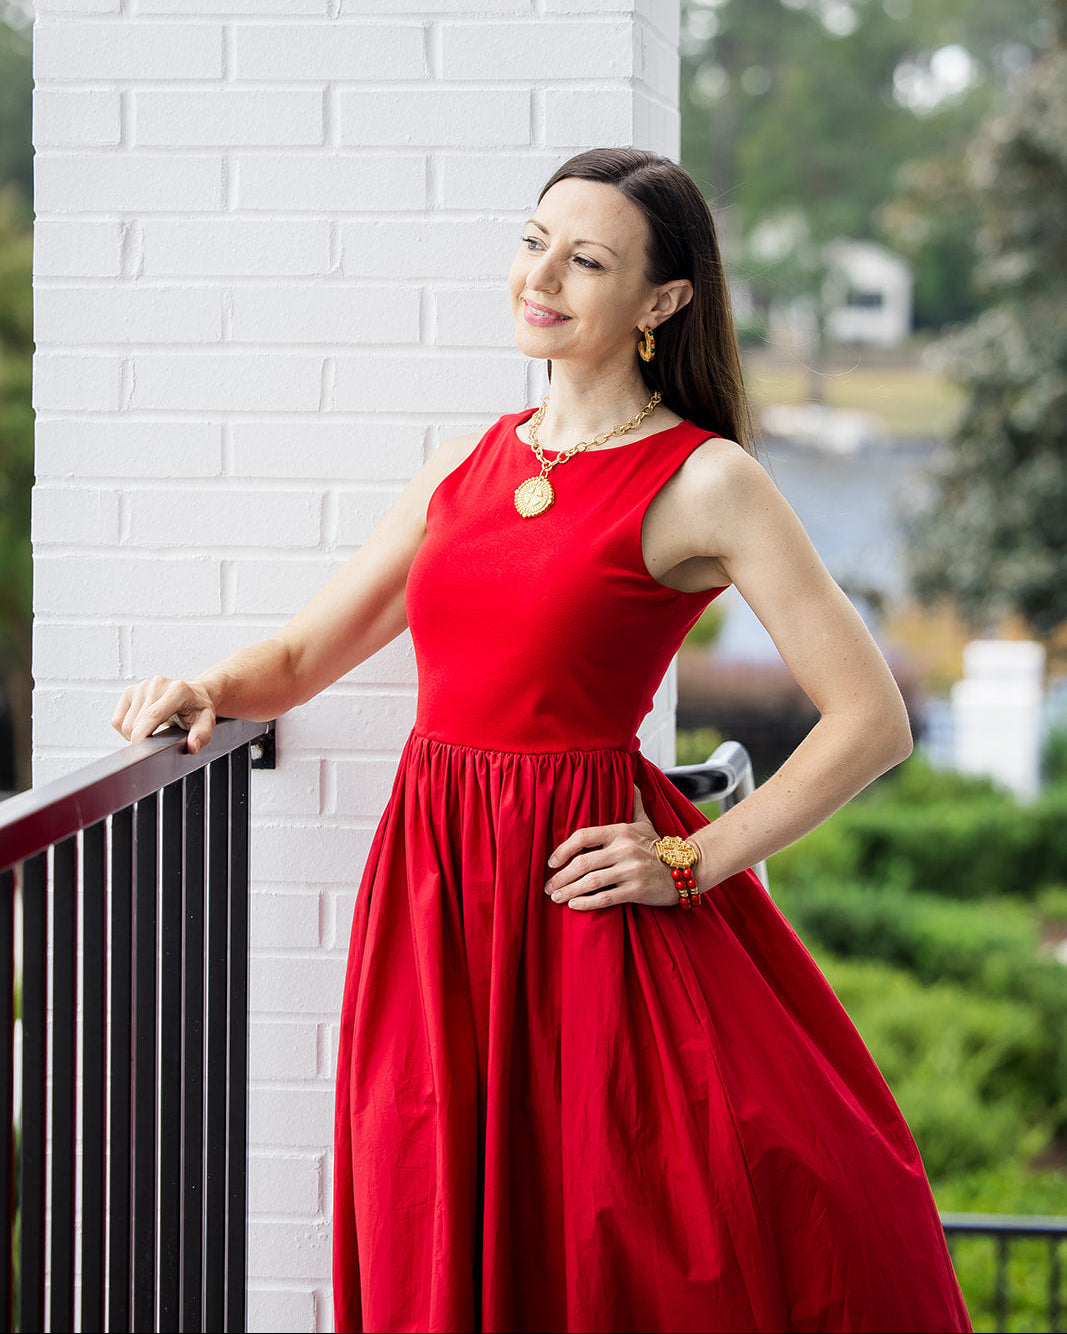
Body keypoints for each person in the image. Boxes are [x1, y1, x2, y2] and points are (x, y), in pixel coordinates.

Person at [113, 148, 971, 1333]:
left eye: (587, 260)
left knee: (628, 1229)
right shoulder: (467, 465)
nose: (543, 277)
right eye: (533, 243)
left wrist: (689, 861)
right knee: (433, 1210)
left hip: (582, 901)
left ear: (662, 302)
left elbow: (867, 717)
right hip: (435, 890)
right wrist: (203, 682)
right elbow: (305, 657)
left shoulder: (704, 479)